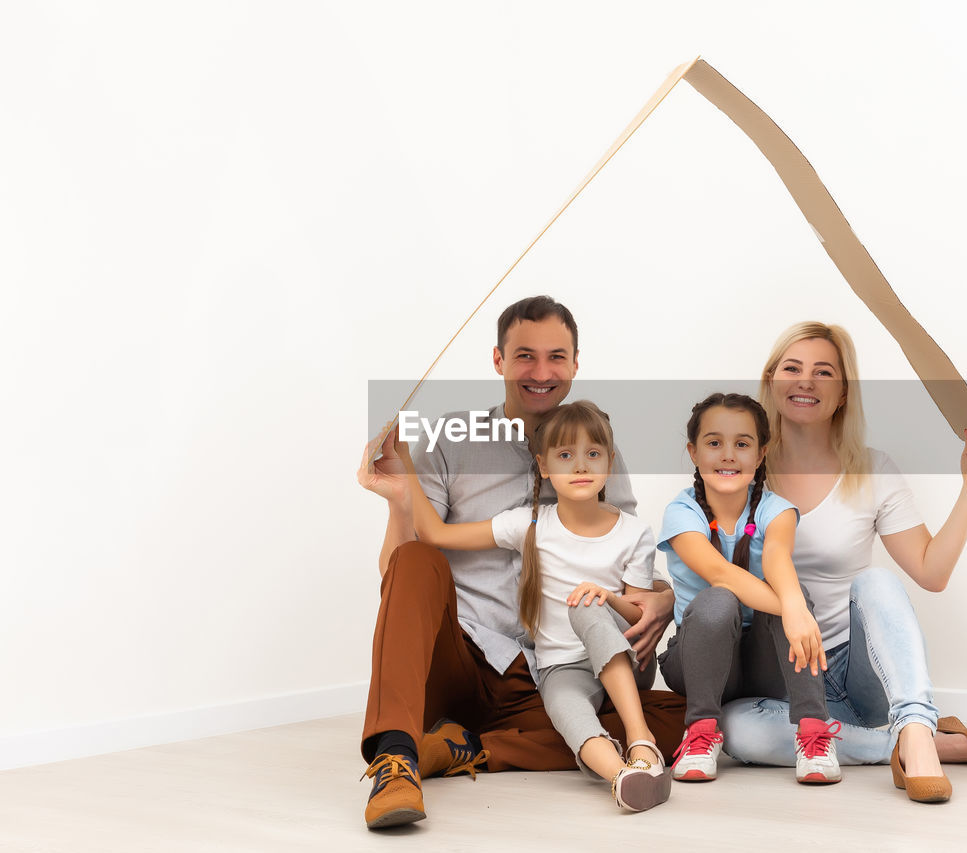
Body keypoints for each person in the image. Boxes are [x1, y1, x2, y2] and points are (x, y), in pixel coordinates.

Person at [355, 296, 683, 829]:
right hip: (465, 657)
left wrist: (661, 598)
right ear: (498, 361)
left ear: (576, 364)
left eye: (557, 356)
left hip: (549, 669)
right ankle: (396, 758)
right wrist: (399, 498)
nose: (541, 372)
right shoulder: (449, 442)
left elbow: (623, 551)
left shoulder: (597, 447)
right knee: (418, 557)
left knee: (689, 723)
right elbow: (398, 570)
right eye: (525, 356)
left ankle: (460, 748)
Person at [719, 321, 967, 804]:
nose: (806, 381)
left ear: (844, 392)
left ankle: (913, 722)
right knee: (735, 731)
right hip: (782, 676)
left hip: (856, 674)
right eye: (793, 368)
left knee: (876, 581)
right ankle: (923, 743)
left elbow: (932, 573)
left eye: (823, 372)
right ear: (771, 380)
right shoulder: (737, 468)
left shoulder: (872, 469)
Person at [397, 400, 673, 811]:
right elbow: (434, 532)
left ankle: (641, 741)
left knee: (586, 607)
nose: (580, 467)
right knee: (567, 713)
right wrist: (404, 463)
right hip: (561, 666)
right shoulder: (529, 525)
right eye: (566, 456)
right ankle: (623, 776)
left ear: (610, 463)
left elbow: (637, 617)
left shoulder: (634, 533)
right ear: (544, 467)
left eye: (592, 455)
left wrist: (607, 596)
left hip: (622, 654)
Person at [657, 393, 841, 785]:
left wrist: (795, 607)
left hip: (762, 664)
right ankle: (700, 734)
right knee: (721, 598)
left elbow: (777, 558)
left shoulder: (778, 510)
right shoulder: (682, 512)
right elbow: (720, 573)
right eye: (714, 443)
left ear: (760, 455)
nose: (728, 455)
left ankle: (813, 734)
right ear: (693, 452)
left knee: (797, 596)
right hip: (696, 664)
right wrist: (793, 610)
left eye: (741, 444)